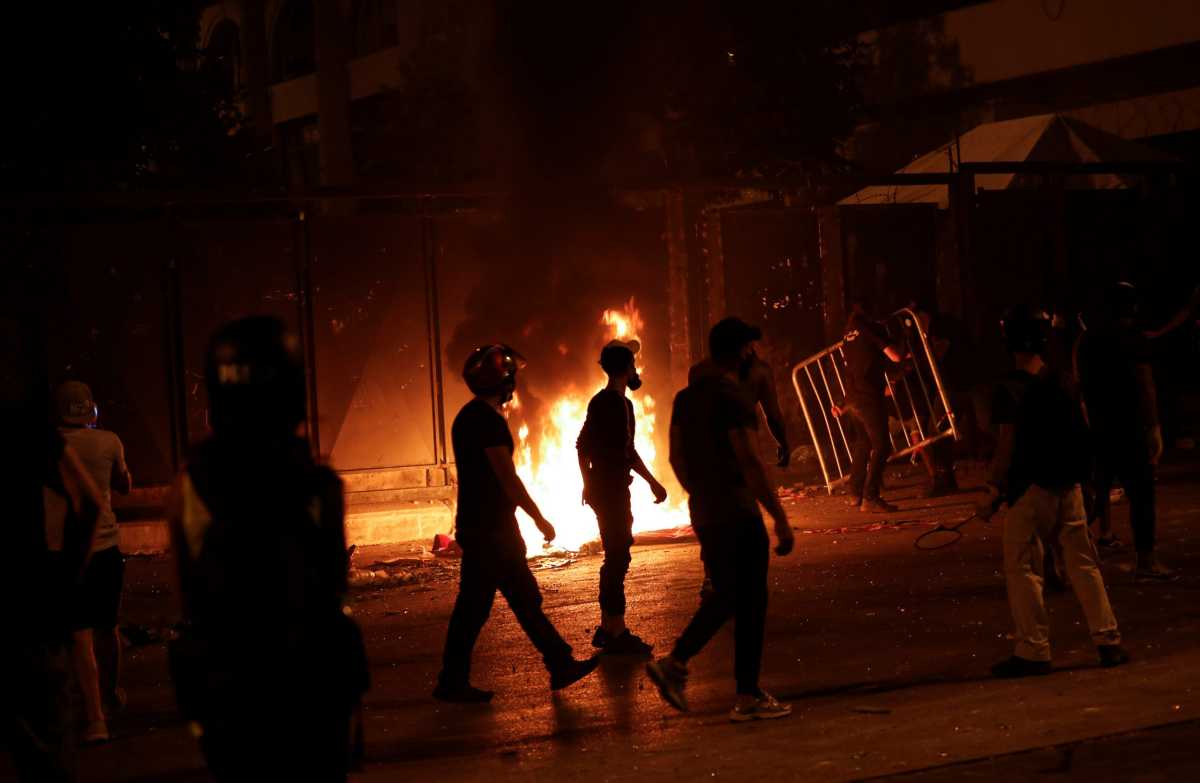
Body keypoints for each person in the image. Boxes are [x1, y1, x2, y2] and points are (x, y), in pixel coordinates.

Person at [167, 316, 368, 781]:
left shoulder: (189, 486)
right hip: (311, 689)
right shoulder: (319, 487)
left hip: (229, 694)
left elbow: (188, 596)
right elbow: (336, 591)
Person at [646, 317, 796, 722]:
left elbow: (676, 456)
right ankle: (685, 665)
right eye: (750, 348)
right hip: (737, 508)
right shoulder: (734, 399)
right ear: (742, 353)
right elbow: (749, 460)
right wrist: (779, 518)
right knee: (746, 598)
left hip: (704, 508)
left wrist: (699, 491)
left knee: (731, 593)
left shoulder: (685, 398)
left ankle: (743, 693)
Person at [435, 344, 600, 703]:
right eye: (512, 376)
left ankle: (454, 679)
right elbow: (507, 478)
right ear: (503, 380)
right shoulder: (486, 422)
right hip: (493, 530)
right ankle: (558, 662)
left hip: (481, 526)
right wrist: (538, 517)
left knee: (482, 606)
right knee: (515, 600)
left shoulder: (469, 417)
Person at [979, 305, 1129, 678]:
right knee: (1083, 564)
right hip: (1069, 486)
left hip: (1031, 490)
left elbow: (1007, 447)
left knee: (1024, 568)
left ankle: (1033, 649)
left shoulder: (1009, 389)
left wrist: (990, 490)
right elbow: (1086, 430)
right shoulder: (1063, 380)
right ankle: (1108, 641)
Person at [1078, 282, 1175, 581]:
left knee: (1093, 494)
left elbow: (1080, 387)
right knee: (1142, 494)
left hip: (1098, 427)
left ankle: (1059, 554)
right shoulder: (1131, 339)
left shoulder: (1087, 339)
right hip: (1130, 427)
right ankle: (1146, 560)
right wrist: (1154, 427)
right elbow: (1145, 384)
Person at [577, 339, 667, 655]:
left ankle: (608, 628)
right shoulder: (619, 405)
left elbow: (581, 446)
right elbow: (627, 454)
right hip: (613, 491)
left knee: (615, 554)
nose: (634, 370)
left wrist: (588, 483)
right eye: (632, 365)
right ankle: (614, 631)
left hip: (605, 490)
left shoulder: (599, 402)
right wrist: (654, 482)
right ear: (627, 369)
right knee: (618, 556)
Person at [54, 381, 131, 745]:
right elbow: (124, 485)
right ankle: (112, 693)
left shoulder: (49, 447)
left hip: (67, 551)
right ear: (91, 410)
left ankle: (95, 718)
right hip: (106, 546)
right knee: (108, 628)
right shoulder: (109, 441)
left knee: (79, 634)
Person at [833, 302, 906, 512]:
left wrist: (841, 401)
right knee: (882, 446)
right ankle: (870, 496)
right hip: (869, 396)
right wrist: (903, 343)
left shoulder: (848, 333)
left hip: (853, 396)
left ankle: (855, 492)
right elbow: (895, 356)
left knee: (864, 443)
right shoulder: (871, 329)